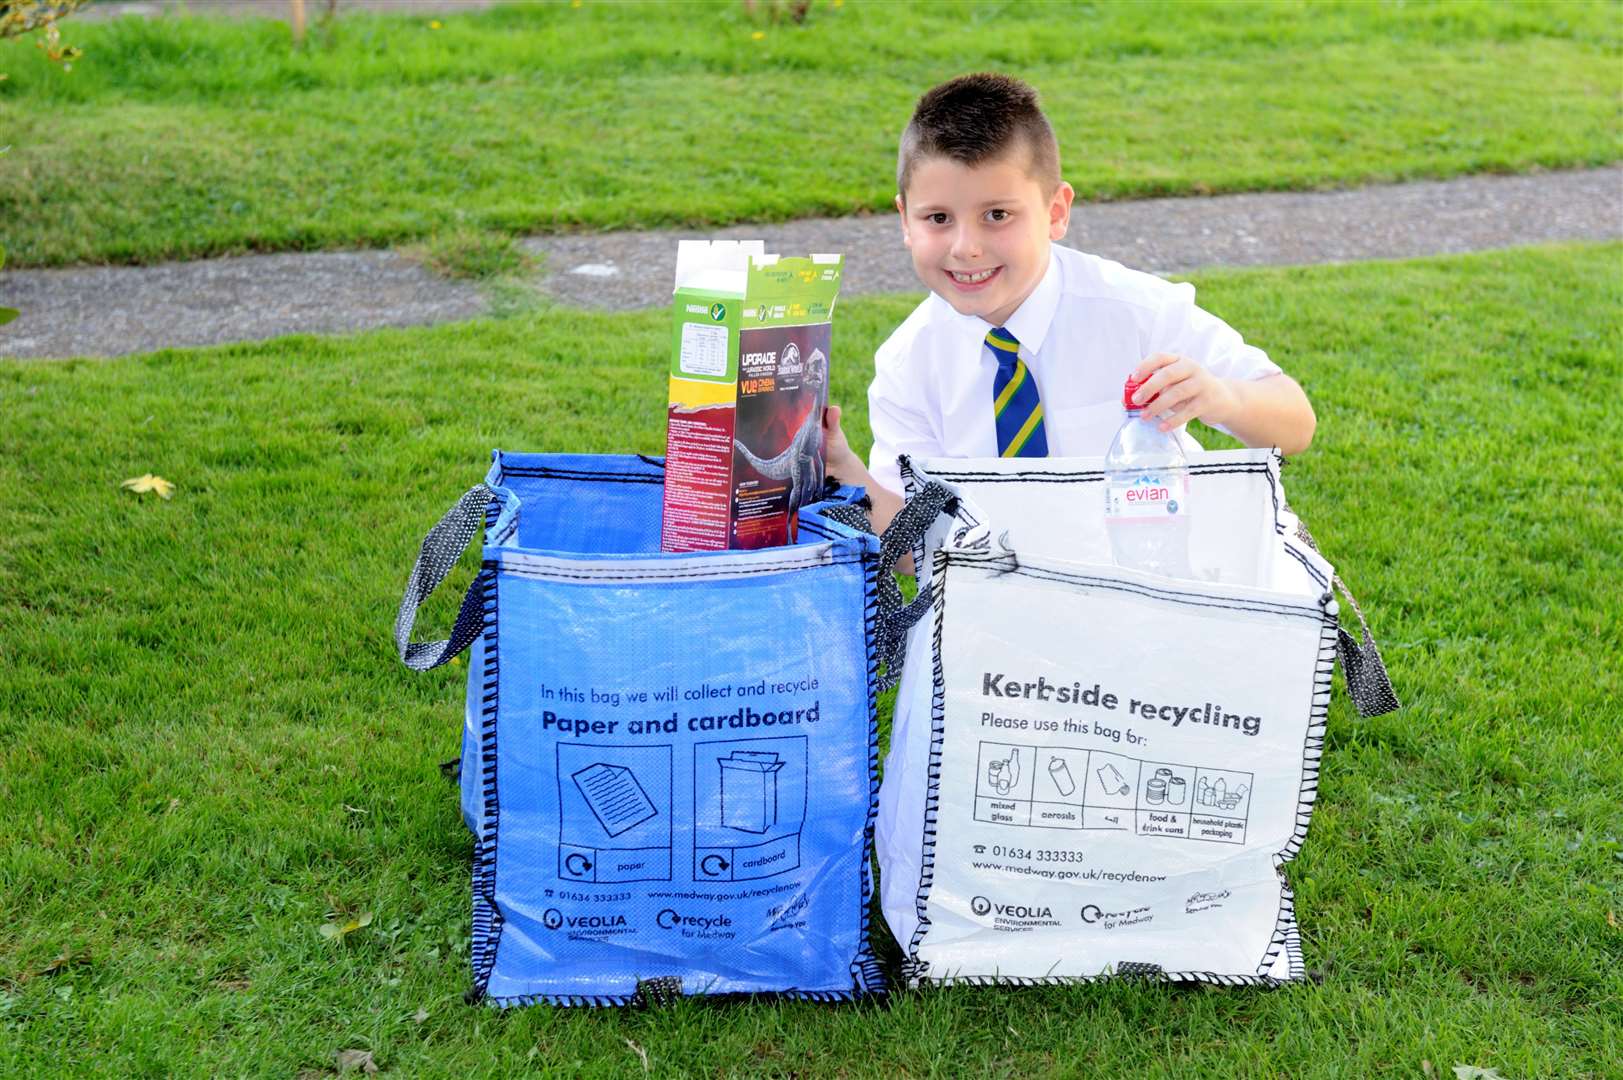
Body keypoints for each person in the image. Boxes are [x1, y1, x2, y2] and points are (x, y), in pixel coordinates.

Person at [821, 73, 1315, 545]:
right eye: (938, 219)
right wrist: (846, 470)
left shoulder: (1135, 311)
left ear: (1055, 212)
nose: (965, 246)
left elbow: (1295, 424)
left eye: (997, 215)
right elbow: (914, 548)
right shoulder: (909, 362)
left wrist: (1221, 397)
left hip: (1147, 583)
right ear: (905, 220)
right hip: (999, 602)